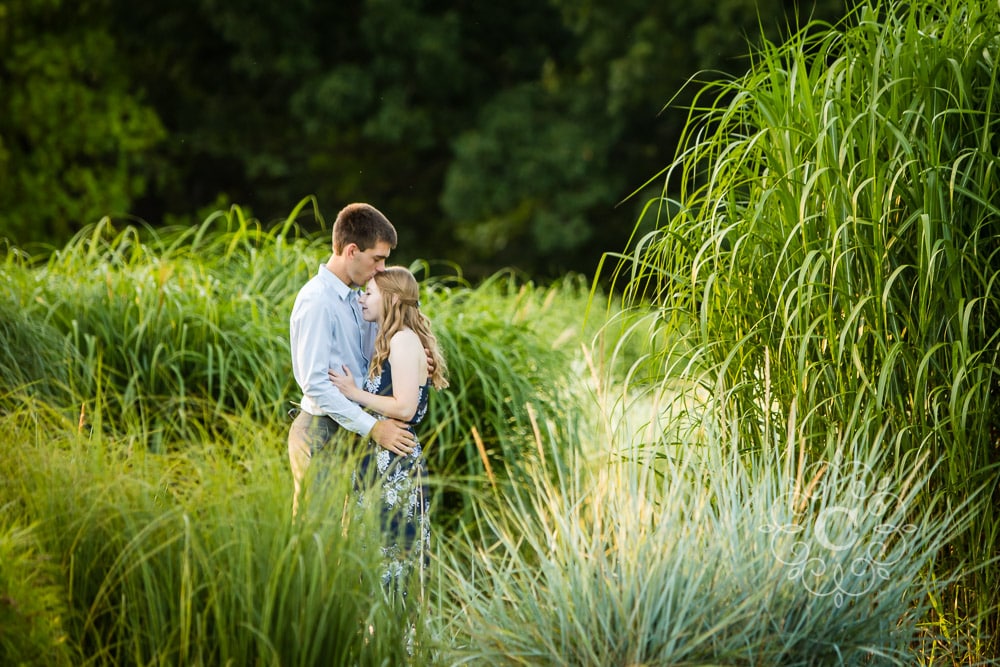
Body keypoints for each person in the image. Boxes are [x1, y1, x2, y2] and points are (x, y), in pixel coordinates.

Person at [287, 202, 417, 517]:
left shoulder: (357, 298)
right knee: (316, 537)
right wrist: (373, 428)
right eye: (377, 259)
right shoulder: (318, 301)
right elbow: (316, 384)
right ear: (352, 251)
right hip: (321, 432)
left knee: (348, 544)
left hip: (353, 430)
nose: (382, 270)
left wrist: (415, 350)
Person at [328, 266, 448, 601]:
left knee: (393, 561)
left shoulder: (403, 340)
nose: (363, 298)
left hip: (394, 465)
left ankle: (399, 647)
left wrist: (354, 392)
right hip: (378, 462)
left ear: (391, 298)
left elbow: (406, 407)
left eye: (369, 293)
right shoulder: (392, 340)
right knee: (373, 558)